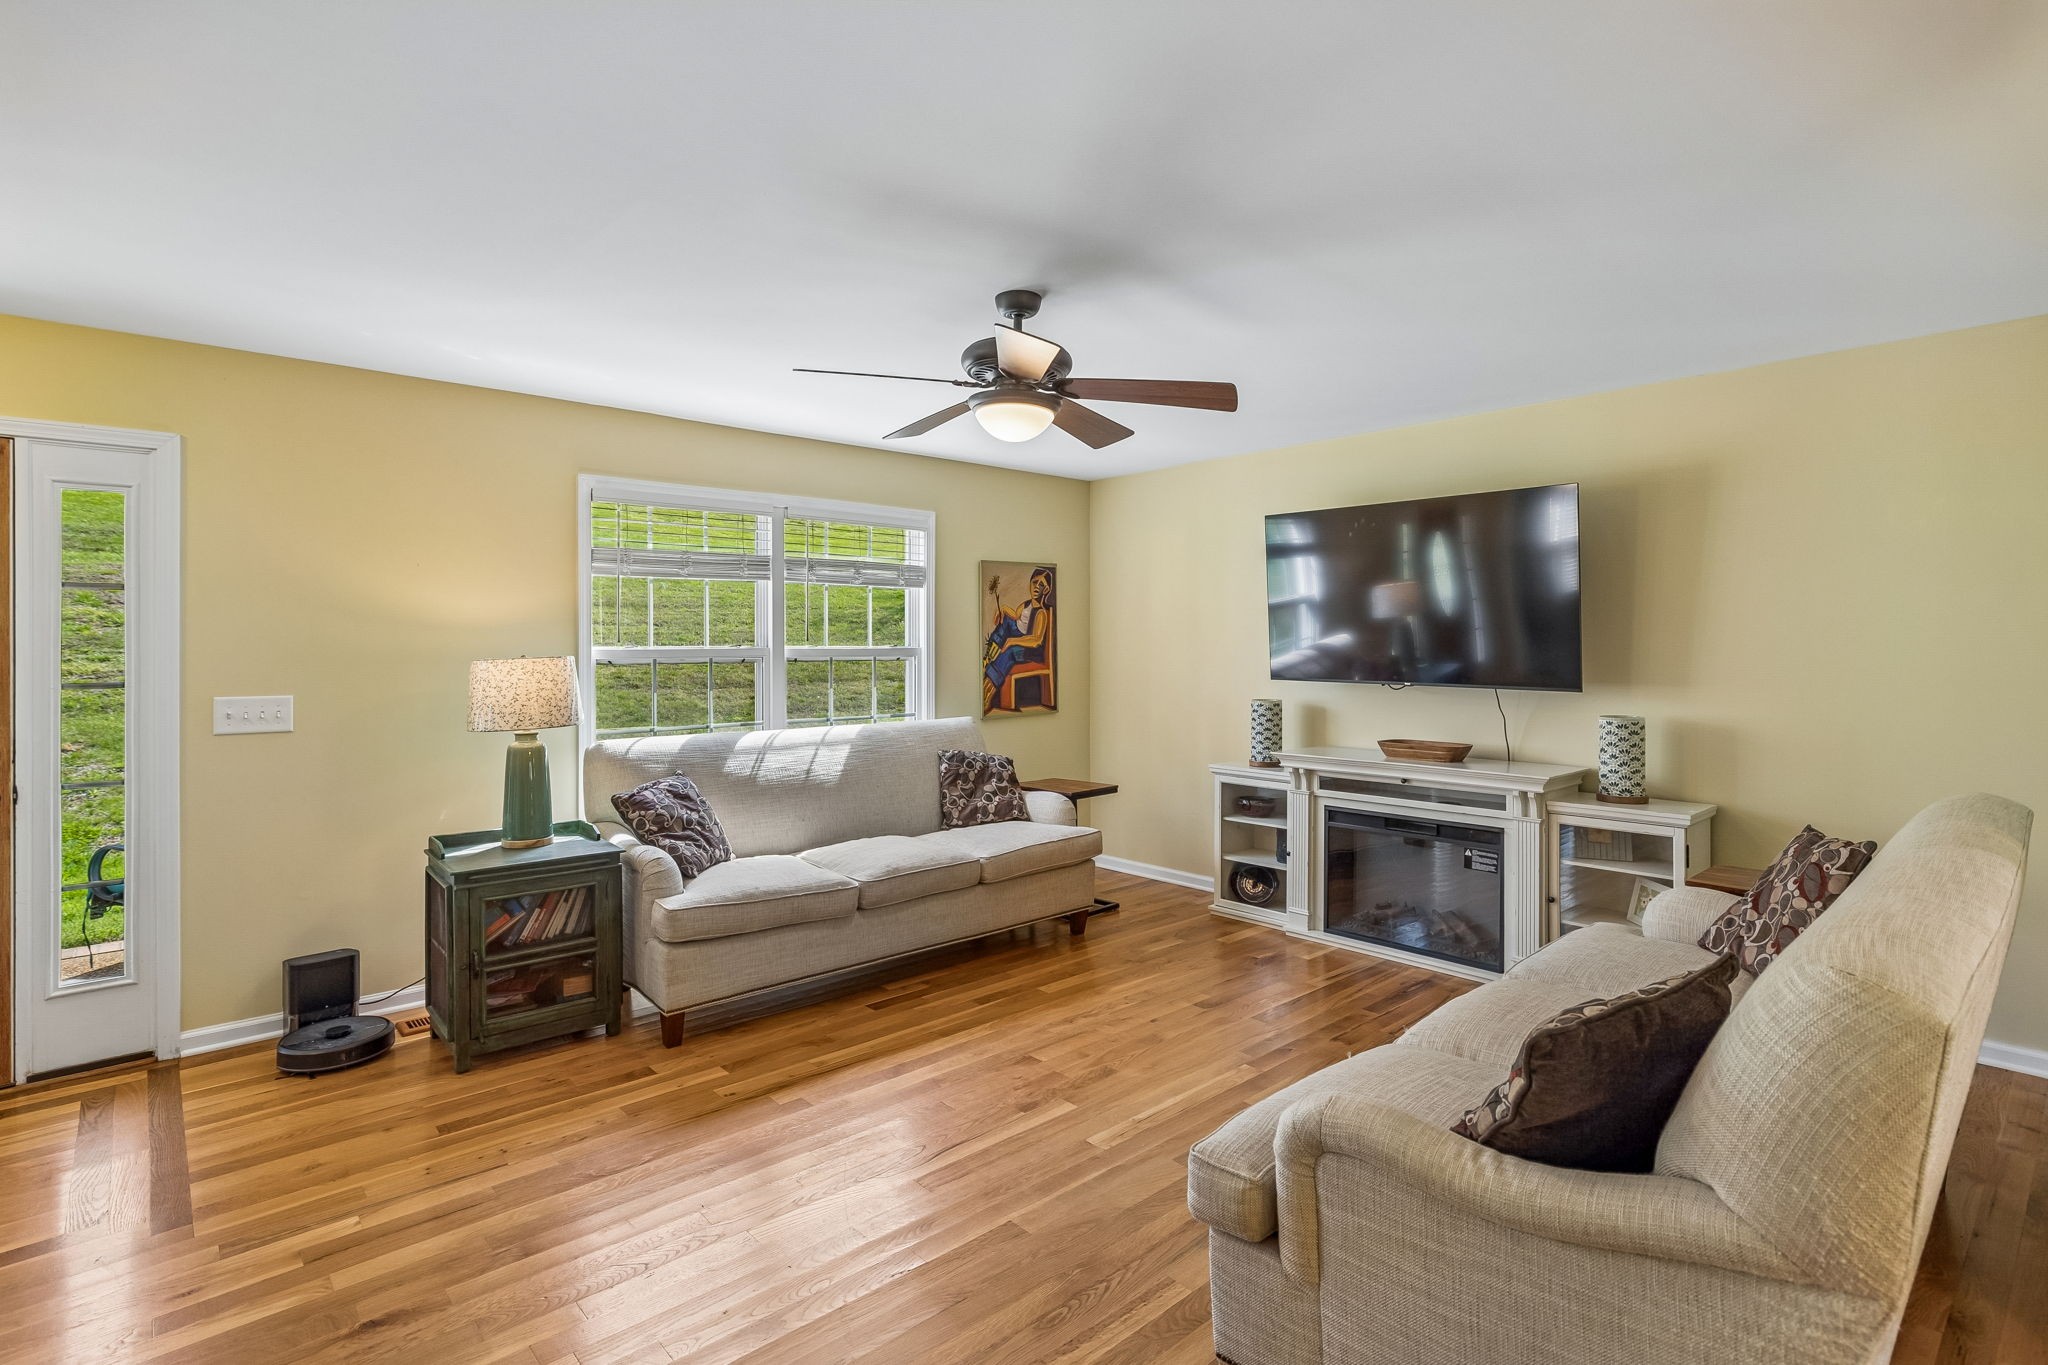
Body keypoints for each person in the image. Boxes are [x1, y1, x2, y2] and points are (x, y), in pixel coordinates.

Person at [984, 566, 1053, 711]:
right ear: (1030, 584)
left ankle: (989, 689)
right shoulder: (1025, 605)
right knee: (1006, 623)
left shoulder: (1041, 613)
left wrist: (1012, 641)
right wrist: (1003, 608)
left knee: (1009, 652)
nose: (1037, 587)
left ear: (1046, 591)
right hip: (1020, 637)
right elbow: (1015, 616)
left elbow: (1036, 640)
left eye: (1041, 585)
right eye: (1035, 583)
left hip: (1031, 650)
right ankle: (989, 654)